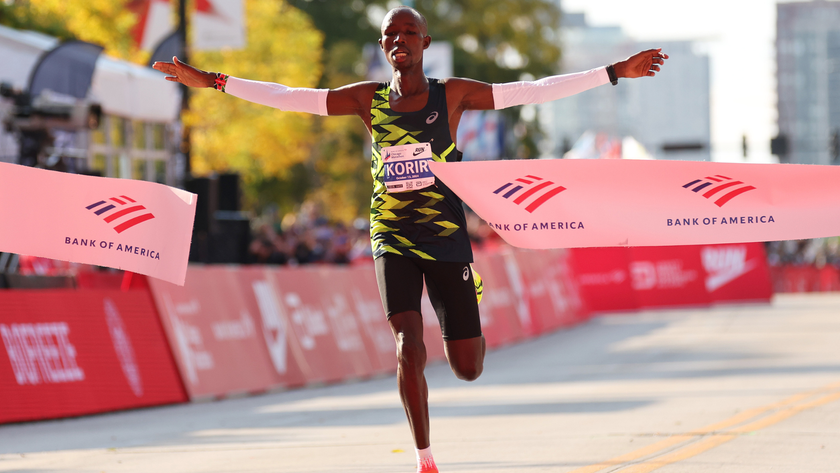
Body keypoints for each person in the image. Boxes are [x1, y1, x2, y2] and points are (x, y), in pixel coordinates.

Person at [154, 6, 667, 472]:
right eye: (390, 34)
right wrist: (215, 81)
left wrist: (614, 73)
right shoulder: (367, 100)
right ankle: (424, 458)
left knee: (468, 367)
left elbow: (528, 91)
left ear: (424, 42)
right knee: (407, 343)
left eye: (408, 32)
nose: (399, 40)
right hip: (391, 234)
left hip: (444, 235)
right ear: (383, 49)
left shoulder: (453, 95)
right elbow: (291, 99)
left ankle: (470, 294)